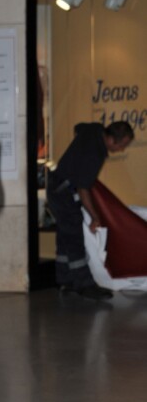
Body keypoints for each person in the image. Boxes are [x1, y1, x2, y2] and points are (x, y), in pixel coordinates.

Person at [46, 120, 134, 300]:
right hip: (64, 193)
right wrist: (95, 217)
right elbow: (83, 189)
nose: (122, 149)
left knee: (65, 236)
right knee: (74, 236)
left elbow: (77, 127)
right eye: (122, 145)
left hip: (55, 187)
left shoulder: (94, 130)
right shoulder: (95, 154)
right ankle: (84, 284)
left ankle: (65, 279)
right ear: (111, 140)